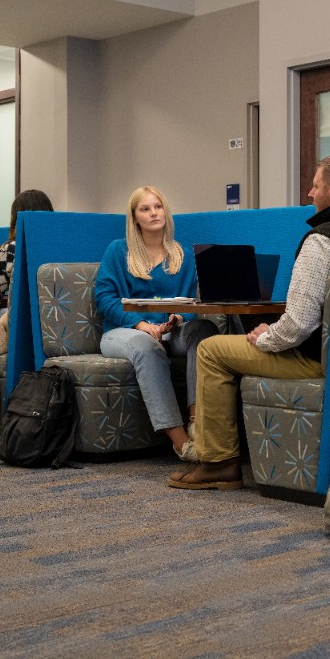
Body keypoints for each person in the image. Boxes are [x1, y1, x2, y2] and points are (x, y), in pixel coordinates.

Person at [167, 153, 330, 490]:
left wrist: (264, 337)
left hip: (312, 361)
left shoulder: (320, 240)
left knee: (210, 348)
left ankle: (218, 462)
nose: (309, 194)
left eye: (315, 186)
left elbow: (299, 324)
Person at [94, 186, 218, 462]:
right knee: (147, 346)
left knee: (204, 331)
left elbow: (189, 304)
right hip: (123, 332)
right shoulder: (118, 251)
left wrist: (180, 318)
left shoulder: (182, 255)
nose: (153, 213)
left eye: (158, 207)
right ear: (134, 217)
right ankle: (181, 442)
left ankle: (197, 424)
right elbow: (104, 298)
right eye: (145, 209)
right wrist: (139, 324)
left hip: (169, 332)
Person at [0, 189, 55, 349]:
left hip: (26, 320)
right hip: (55, 319)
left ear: (16, 216)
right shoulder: (59, 245)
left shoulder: (11, 249)